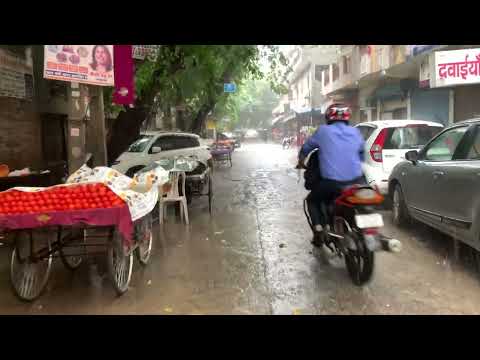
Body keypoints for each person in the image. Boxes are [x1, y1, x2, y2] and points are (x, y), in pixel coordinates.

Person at [298, 103, 365, 247]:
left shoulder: (323, 131)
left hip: (332, 183)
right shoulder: (355, 132)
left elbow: (306, 148)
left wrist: (301, 161)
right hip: (357, 181)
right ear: (347, 118)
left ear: (328, 117)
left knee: (312, 200)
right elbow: (361, 155)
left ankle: (318, 227)